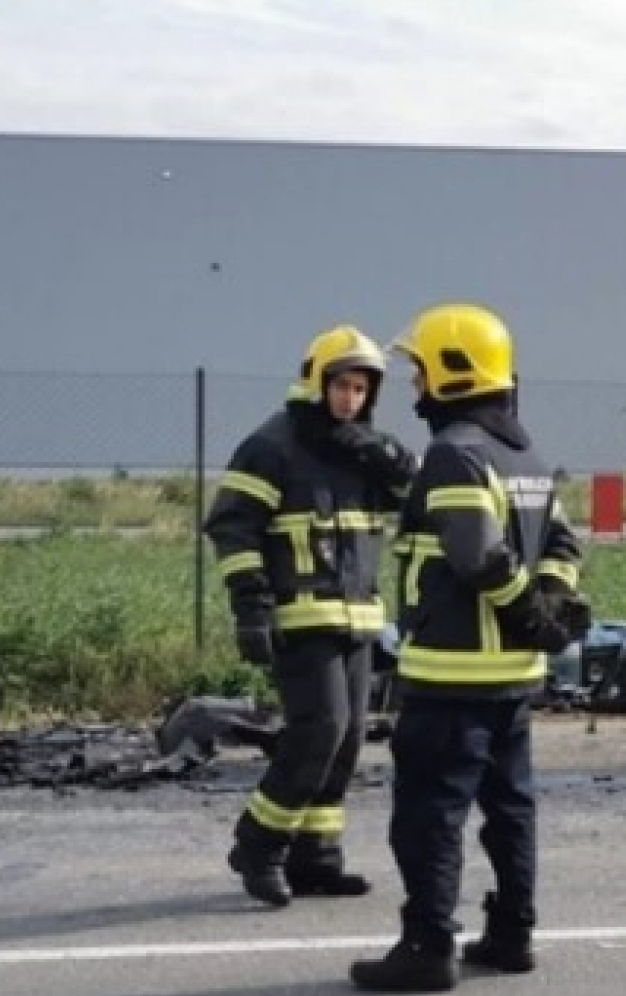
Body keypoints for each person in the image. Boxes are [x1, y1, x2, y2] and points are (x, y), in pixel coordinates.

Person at [351, 303, 589, 992]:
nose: (414, 384)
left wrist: (527, 613)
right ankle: (512, 936)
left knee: (429, 816)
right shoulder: (525, 456)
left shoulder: (456, 453)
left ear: (452, 371)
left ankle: (427, 948)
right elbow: (563, 546)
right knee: (510, 811)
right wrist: (546, 608)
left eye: (420, 369)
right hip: (513, 678)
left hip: (451, 674)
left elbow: (477, 555)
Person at [204, 326, 417, 907]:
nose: (351, 399)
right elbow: (232, 526)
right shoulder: (272, 446)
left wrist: (386, 455)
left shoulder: (362, 449)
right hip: (300, 619)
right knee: (319, 730)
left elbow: (416, 494)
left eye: (361, 389)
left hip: (358, 619)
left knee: (347, 739)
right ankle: (258, 845)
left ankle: (316, 857)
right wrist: (252, 607)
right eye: (342, 386)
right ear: (317, 382)